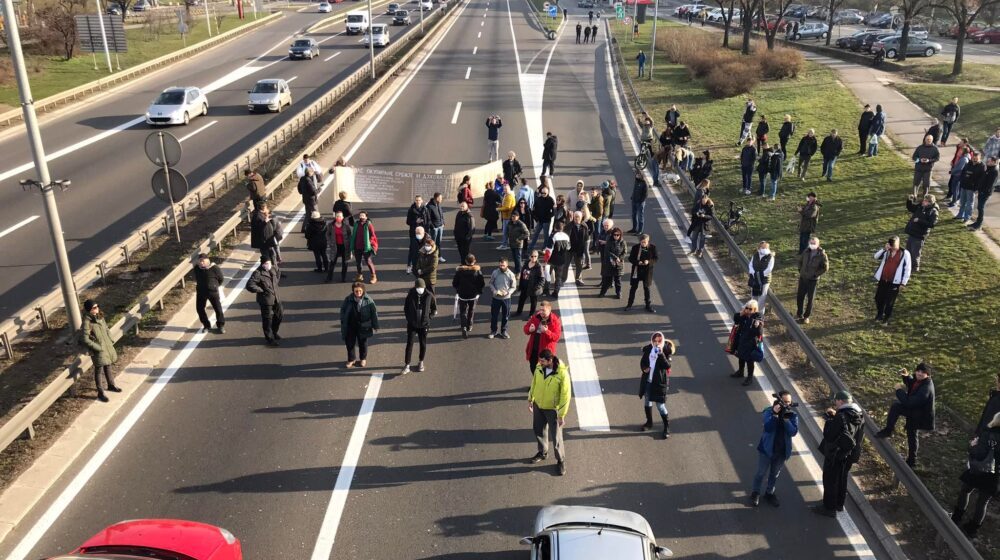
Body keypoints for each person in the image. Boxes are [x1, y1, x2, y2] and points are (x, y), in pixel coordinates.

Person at [814, 390, 865, 518]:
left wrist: (829, 419)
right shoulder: (859, 414)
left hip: (837, 454)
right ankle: (838, 504)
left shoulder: (840, 416)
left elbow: (829, 435)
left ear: (841, 401)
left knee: (830, 480)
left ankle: (829, 508)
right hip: (850, 454)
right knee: (842, 479)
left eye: (836, 401)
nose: (835, 403)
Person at [875, 364, 936, 467]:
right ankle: (912, 460)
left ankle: (911, 460)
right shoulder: (921, 381)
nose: (919, 373)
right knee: (910, 432)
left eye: (923, 372)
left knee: (911, 431)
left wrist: (899, 390)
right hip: (915, 411)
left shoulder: (926, 388)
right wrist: (906, 376)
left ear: (928, 375)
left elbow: (909, 402)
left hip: (919, 415)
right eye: (918, 371)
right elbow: (913, 384)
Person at [951, 411, 1000, 538]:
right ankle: (972, 529)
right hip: (995, 475)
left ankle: (957, 516)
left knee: (965, 490)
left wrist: (972, 446)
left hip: (980, 470)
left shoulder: (989, 433)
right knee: (983, 502)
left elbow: (979, 453)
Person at [749, 390, 800, 507]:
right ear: (778, 401)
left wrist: (786, 419)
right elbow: (768, 428)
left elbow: (793, 432)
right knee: (760, 473)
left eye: (789, 402)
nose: (787, 404)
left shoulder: (792, 415)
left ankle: (769, 493)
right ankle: (755, 492)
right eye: (785, 402)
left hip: (781, 451)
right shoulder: (768, 411)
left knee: (774, 474)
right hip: (767, 449)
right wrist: (775, 415)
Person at [528, 349, 571, 476]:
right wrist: (530, 398)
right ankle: (542, 452)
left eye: (542, 361)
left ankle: (561, 460)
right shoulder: (539, 367)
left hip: (553, 409)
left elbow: (565, 395)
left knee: (556, 436)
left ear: (550, 360)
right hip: (538, 405)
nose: (540, 363)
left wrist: (561, 414)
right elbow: (534, 382)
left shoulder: (562, 374)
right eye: (539, 360)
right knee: (538, 430)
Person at [79, 299, 121, 402]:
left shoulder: (100, 317)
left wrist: (110, 339)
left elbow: (106, 329)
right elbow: (84, 339)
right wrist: (97, 347)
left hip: (106, 346)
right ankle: (100, 392)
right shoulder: (87, 322)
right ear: (89, 310)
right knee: (99, 370)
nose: (97, 308)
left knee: (108, 365)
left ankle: (111, 385)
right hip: (98, 349)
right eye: (94, 307)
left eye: (97, 306)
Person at [639, 332, 674, 439]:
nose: (657, 343)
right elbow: (643, 362)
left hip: (659, 383)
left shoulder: (666, 350)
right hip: (648, 381)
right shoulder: (649, 349)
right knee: (647, 401)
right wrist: (644, 368)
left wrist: (661, 354)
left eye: (659, 341)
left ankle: (666, 427)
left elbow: (667, 365)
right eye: (655, 341)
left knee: (660, 406)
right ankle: (649, 422)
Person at [400, 278, 437, 375]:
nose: (420, 289)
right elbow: (406, 308)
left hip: (424, 325)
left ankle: (421, 362)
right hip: (412, 325)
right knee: (409, 344)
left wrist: (429, 317)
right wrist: (409, 319)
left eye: (422, 287)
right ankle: (407, 365)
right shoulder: (411, 294)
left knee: (423, 344)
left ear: (424, 287)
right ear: (415, 287)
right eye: (418, 288)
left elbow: (434, 309)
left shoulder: (429, 295)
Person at [872, 236, 912, 325]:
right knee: (878, 298)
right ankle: (880, 314)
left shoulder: (905, 253)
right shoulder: (887, 251)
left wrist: (903, 283)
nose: (892, 247)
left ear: (898, 243)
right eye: (891, 245)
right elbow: (875, 257)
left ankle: (886, 318)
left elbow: (907, 269)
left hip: (895, 282)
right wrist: (884, 249)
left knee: (889, 301)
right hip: (883, 280)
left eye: (893, 245)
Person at [340, 282, 379, 368]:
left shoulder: (368, 300)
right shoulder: (348, 299)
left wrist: (375, 325)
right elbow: (343, 311)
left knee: (363, 343)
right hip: (351, 325)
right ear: (353, 291)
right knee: (350, 343)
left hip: (363, 326)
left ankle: (363, 358)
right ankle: (351, 359)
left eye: (360, 291)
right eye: (356, 291)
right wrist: (343, 321)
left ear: (363, 291)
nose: (358, 293)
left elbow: (374, 313)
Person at [246, 255, 282, 346]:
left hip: (276, 297)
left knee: (279, 315)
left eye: (269, 263)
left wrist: (275, 286)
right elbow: (249, 285)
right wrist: (261, 290)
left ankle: (274, 332)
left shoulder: (273, 268)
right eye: (266, 263)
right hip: (265, 300)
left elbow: (278, 274)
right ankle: (269, 338)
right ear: (262, 264)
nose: (268, 265)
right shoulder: (258, 273)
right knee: (267, 320)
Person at [795, 236, 829, 324]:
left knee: (810, 299)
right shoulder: (806, 251)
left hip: (813, 280)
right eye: (811, 243)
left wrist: (815, 274)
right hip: (803, 278)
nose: (812, 245)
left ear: (818, 244)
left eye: (814, 243)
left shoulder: (822, 255)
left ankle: (806, 316)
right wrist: (800, 270)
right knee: (800, 296)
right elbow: (800, 261)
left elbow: (825, 268)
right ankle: (799, 314)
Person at [729, 299, 763, 386]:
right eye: (746, 308)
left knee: (749, 360)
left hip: (750, 342)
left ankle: (750, 377)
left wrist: (757, 325)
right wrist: (741, 314)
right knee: (741, 356)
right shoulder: (744, 315)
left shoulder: (756, 318)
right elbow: (736, 320)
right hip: (741, 340)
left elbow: (759, 332)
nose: (748, 310)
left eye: (750, 309)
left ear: (754, 309)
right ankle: (740, 371)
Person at [523, 301, 562, 374]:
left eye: (543, 310)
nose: (541, 312)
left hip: (545, 354)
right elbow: (525, 328)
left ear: (549, 310)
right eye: (540, 310)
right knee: (533, 368)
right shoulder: (536, 317)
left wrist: (547, 331)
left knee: (545, 372)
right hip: (534, 350)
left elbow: (556, 337)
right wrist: (529, 330)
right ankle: (536, 380)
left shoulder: (555, 321)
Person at [453, 254, 486, 339]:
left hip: (462, 295)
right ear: (474, 261)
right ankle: (469, 325)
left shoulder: (460, 271)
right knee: (471, 310)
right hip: (473, 295)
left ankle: (463, 326)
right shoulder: (477, 271)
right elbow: (482, 283)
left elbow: (454, 283)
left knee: (463, 311)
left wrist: (458, 290)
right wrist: (479, 291)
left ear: (466, 261)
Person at [904, 194, 938, 272]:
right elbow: (911, 208)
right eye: (923, 200)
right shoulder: (921, 206)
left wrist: (919, 220)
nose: (923, 201)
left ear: (930, 203)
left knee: (915, 253)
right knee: (908, 250)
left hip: (920, 235)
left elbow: (931, 224)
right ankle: (908, 265)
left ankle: (915, 267)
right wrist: (909, 200)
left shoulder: (933, 211)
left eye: (925, 201)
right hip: (913, 232)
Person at [192, 253, 225, 334]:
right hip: (201, 292)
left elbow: (221, 279)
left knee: (218, 309)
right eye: (200, 261)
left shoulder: (214, 268)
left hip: (213, 292)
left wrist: (215, 286)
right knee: (200, 309)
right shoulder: (197, 268)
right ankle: (206, 325)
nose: (201, 262)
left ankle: (220, 325)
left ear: (207, 260)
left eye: (203, 261)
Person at [626, 234, 657, 312]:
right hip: (637, 270)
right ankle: (629, 304)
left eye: (645, 242)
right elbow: (630, 258)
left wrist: (648, 262)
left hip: (647, 271)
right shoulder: (635, 247)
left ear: (648, 241)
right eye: (642, 242)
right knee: (633, 288)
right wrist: (637, 262)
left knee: (647, 288)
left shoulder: (652, 248)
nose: (643, 244)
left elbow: (655, 258)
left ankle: (648, 305)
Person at [488, 258, 517, 339]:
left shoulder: (511, 274)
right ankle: (493, 331)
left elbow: (513, 287)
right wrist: (494, 291)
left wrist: (508, 292)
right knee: (494, 316)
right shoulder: (495, 272)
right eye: (500, 265)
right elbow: (490, 283)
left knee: (506, 316)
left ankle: (503, 331)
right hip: (496, 298)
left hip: (506, 299)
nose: (501, 267)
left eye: (503, 265)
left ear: (507, 265)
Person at [250, 204, 283, 268]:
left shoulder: (262, 215)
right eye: (266, 207)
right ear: (263, 208)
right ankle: (271, 269)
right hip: (263, 241)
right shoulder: (257, 216)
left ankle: (275, 268)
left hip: (267, 240)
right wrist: (265, 221)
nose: (267, 209)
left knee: (272, 255)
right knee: (267, 257)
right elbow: (257, 228)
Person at [970, 156, 998, 231]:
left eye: (989, 161)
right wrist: (978, 189)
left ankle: (979, 224)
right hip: (981, 191)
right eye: (987, 161)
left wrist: (983, 191)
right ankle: (977, 222)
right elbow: (982, 180)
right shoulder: (988, 169)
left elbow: (990, 184)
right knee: (979, 207)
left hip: (985, 193)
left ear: (993, 162)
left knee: (980, 207)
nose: (987, 162)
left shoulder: (994, 171)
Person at [350, 210, 379, 284]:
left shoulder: (369, 224)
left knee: (368, 261)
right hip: (357, 246)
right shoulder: (357, 224)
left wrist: (369, 242)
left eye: (363, 215)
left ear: (366, 217)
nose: (361, 217)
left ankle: (373, 276)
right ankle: (360, 275)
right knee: (358, 262)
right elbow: (354, 234)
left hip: (366, 247)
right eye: (360, 215)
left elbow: (373, 235)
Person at [599, 226, 627, 298]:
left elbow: (624, 252)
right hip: (609, 263)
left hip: (618, 264)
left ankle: (618, 293)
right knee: (607, 280)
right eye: (615, 234)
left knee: (618, 281)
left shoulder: (623, 242)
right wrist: (615, 257)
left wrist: (619, 258)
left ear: (620, 235)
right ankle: (602, 293)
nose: (616, 236)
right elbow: (607, 252)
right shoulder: (609, 242)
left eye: (618, 235)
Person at [514, 250, 545, 317]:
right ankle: (518, 312)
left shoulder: (539, 267)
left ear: (537, 257)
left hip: (533, 289)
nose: (533, 258)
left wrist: (535, 288)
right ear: (530, 256)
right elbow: (522, 274)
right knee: (521, 300)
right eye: (532, 256)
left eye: (535, 256)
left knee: (533, 303)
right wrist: (521, 285)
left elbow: (542, 280)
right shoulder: (526, 263)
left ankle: (531, 315)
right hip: (525, 287)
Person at [406, 196, 431, 273]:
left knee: (423, 250)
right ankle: (409, 266)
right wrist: (416, 221)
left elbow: (429, 220)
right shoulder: (411, 210)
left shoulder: (425, 209)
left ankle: (421, 266)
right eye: (416, 200)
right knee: (412, 250)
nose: (418, 201)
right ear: (415, 201)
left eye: (419, 200)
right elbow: (408, 222)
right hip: (414, 233)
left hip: (423, 233)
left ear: (422, 201)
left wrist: (427, 231)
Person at [956, 151, 983, 221]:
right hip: (964, 185)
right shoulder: (968, 164)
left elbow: (981, 179)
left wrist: (976, 188)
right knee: (962, 202)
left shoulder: (982, 167)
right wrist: (961, 181)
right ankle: (960, 215)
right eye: (974, 158)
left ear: (980, 158)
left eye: (976, 159)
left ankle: (967, 217)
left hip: (971, 188)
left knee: (969, 203)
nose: (974, 160)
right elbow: (963, 172)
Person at [748, 241, 773, 315]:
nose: (764, 249)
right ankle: (752, 313)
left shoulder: (770, 257)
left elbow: (769, 269)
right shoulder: (755, 255)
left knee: (762, 298)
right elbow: (750, 265)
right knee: (754, 297)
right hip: (755, 278)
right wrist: (754, 273)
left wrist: (760, 274)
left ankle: (759, 315)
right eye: (762, 247)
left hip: (764, 280)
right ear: (759, 248)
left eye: (765, 247)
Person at [325, 211, 350, 283]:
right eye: (337, 216)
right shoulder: (330, 225)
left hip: (344, 247)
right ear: (335, 217)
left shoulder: (346, 225)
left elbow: (349, 234)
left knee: (345, 263)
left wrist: (349, 243)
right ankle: (329, 278)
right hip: (335, 246)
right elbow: (327, 234)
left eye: (340, 216)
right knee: (332, 263)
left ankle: (343, 278)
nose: (338, 218)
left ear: (342, 217)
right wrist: (330, 242)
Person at [549, 223, 572, 297]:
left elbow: (549, 248)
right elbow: (568, 247)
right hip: (562, 259)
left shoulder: (553, 236)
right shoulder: (566, 236)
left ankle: (546, 290)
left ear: (555, 228)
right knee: (558, 277)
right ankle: (556, 292)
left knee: (547, 274)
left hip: (552, 259)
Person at [529, 184, 554, 251]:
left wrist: (549, 217)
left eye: (544, 193)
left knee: (546, 236)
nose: (543, 194)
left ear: (548, 193)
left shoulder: (551, 200)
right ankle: (530, 247)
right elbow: (534, 210)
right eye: (542, 193)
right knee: (535, 235)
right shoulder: (538, 199)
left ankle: (544, 248)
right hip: (539, 221)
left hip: (546, 221)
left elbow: (553, 211)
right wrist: (536, 219)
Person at [567, 211, 589, 286]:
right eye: (575, 217)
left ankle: (578, 279)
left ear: (581, 218)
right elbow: (565, 236)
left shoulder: (584, 226)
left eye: (578, 217)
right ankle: (562, 279)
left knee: (579, 265)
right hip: (569, 249)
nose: (576, 218)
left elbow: (586, 238)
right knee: (565, 265)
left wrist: (585, 250)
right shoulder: (569, 226)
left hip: (579, 249)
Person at [427, 192, 446, 262]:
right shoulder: (429, 206)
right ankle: (432, 257)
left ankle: (439, 256)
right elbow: (428, 218)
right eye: (440, 198)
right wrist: (432, 227)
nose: (441, 199)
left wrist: (443, 222)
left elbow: (441, 214)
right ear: (437, 198)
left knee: (439, 243)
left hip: (440, 227)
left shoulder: (438, 204)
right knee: (433, 243)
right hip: (434, 228)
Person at [497, 183, 517, 251]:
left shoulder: (509, 196)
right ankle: (505, 244)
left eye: (506, 189)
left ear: (509, 189)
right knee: (507, 232)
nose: (504, 190)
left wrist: (498, 209)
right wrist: (501, 205)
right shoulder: (507, 195)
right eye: (504, 189)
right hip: (506, 216)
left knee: (505, 232)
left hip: (508, 216)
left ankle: (504, 245)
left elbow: (507, 208)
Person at [629, 171, 648, 235]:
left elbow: (645, 194)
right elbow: (634, 190)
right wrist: (632, 196)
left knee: (640, 217)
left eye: (638, 174)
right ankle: (634, 229)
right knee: (634, 215)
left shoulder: (644, 183)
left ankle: (640, 230)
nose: (637, 175)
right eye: (636, 174)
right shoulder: (636, 181)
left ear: (641, 175)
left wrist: (641, 201)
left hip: (640, 203)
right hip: (634, 200)